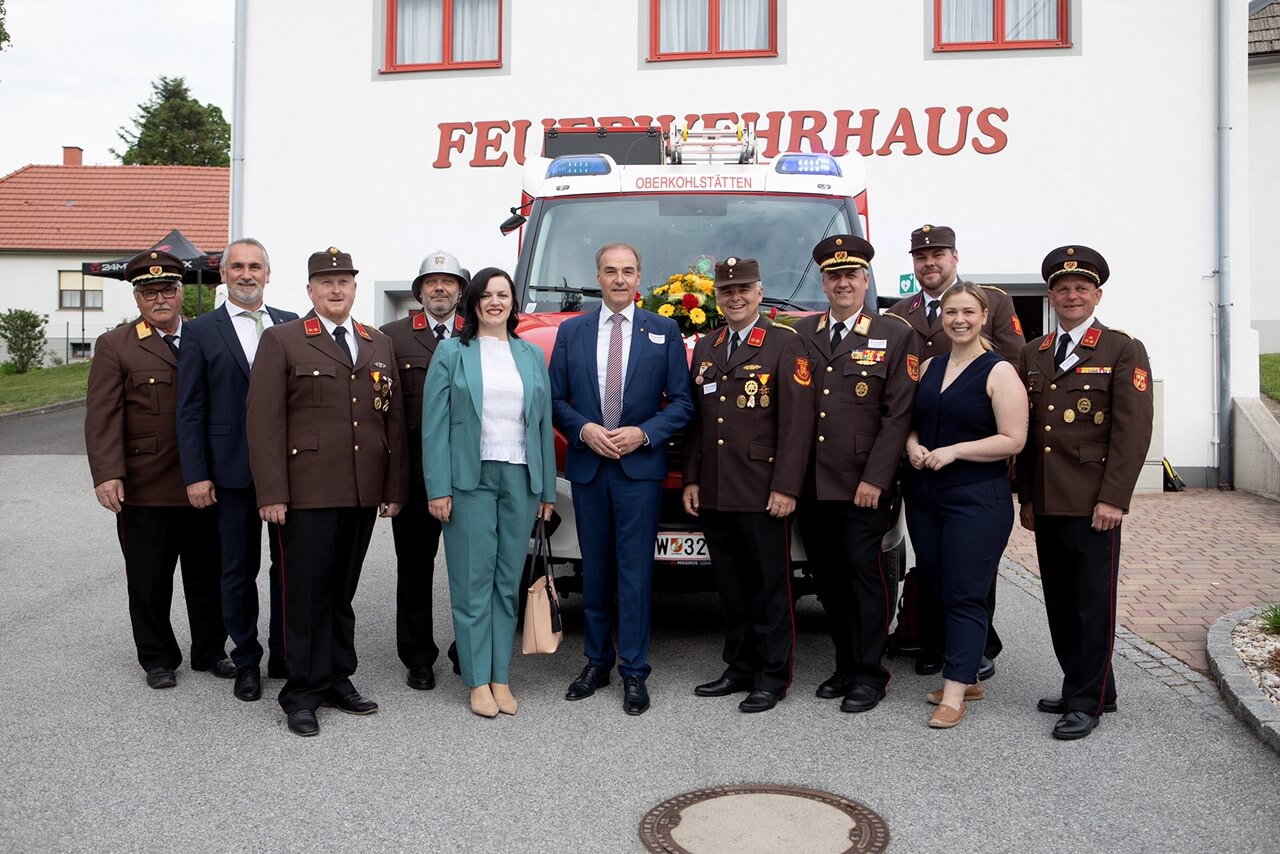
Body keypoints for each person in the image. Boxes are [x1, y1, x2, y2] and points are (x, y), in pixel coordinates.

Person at [246, 247, 407, 737]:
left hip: (361, 490)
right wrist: (271, 492)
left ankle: (337, 677)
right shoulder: (283, 339)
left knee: (342, 591)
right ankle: (301, 692)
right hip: (306, 491)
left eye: (344, 281)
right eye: (326, 282)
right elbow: (264, 422)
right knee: (305, 594)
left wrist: (393, 486)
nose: (336, 289)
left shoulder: (377, 341)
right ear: (310, 290)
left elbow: (392, 420)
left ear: (355, 288)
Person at [549, 243, 694, 716]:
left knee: (635, 573)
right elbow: (555, 399)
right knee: (595, 572)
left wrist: (643, 433)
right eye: (610, 271)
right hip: (589, 468)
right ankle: (596, 662)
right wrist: (583, 430)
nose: (618, 279)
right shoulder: (572, 331)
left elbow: (683, 403)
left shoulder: (663, 331)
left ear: (639, 278)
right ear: (597, 276)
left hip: (638, 471)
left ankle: (634, 670)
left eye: (627, 271)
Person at [1017, 245, 1153, 741]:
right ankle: (1092, 685)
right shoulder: (1034, 352)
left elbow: (1132, 432)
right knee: (1060, 601)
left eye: (1081, 288)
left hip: (1094, 501)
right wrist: (1026, 496)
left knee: (1092, 604)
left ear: (1097, 295)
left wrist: (1114, 498)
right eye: (1062, 288)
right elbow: (1031, 432)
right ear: (1051, 296)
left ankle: (1085, 701)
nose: (1071, 295)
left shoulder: (1121, 349)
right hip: (1048, 500)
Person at [84, 250, 233, 689]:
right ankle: (157, 657)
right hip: (146, 486)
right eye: (150, 293)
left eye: (167, 290)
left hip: (205, 482)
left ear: (180, 293)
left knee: (209, 574)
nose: (160, 299)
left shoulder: (205, 336)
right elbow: (103, 416)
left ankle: (211, 650)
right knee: (149, 578)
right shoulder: (117, 345)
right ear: (137, 298)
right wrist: (107, 473)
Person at [887, 224, 1023, 680]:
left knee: (971, 570)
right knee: (933, 565)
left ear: (955, 257)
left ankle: (976, 649)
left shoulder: (994, 301)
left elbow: (1014, 365)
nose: (930, 262)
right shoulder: (899, 313)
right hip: (923, 464)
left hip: (975, 459)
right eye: (921, 256)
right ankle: (935, 642)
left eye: (938, 254)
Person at [682, 257, 816, 713]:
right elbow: (699, 423)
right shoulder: (708, 346)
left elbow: (797, 424)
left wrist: (786, 487)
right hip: (716, 488)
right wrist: (692, 478)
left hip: (763, 490)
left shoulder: (784, 343)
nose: (735, 297)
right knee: (731, 586)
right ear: (717, 298)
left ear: (760, 292)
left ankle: (772, 676)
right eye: (727, 290)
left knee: (769, 587)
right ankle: (738, 667)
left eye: (743, 289)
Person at [422, 267, 556, 719]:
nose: (495, 302)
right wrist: (438, 488)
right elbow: (435, 424)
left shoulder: (530, 353)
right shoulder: (451, 352)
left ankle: (501, 677)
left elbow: (542, 422)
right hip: (469, 480)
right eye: (487, 295)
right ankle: (477, 680)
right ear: (473, 302)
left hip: (519, 477)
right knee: (472, 582)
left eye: (503, 294)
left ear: (513, 302)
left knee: (505, 584)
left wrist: (546, 488)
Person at [794, 235, 918, 714]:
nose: (842, 283)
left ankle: (870, 674)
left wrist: (877, 478)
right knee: (828, 580)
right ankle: (845, 665)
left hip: (863, 485)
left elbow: (898, 415)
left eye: (851, 275)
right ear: (823, 283)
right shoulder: (803, 332)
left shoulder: (894, 334)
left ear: (866, 281)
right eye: (834, 276)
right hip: (813, 483)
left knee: (864, 578)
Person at [176, 238, 298, 702]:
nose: (247, 274)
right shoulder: (200, 331)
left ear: (268, 274)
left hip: (287, 471)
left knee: (288, 568)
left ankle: (284, 652)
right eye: (238, 267)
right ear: (224, 274)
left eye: (256, 267)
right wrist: (196, 474)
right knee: (237, 570)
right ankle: (247, 659)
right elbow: (189, 410)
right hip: (230, 473)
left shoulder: (291, 324)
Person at [904, 283, 1028, 728]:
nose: (959, 320)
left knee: (965, 592)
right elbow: (913, 422)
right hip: (926, 495)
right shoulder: (931, 366)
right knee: (937, 587)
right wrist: (913, 445)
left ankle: (956, 691)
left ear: (983, 316)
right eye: (951, 312)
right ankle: (967, 674)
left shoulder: (999, 371)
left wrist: (955, 450)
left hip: (976, 497)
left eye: (968, 312)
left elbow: (1013, 439)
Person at [380, 250, 468, 691]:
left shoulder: (480, 333)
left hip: (469, 474)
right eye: (431, 282)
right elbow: (385, 417)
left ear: (460, 290)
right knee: (415, 569)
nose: (439, 288)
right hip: (415, 477)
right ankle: (417, 657)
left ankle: (466, 648)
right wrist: (390, 482)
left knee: (470, 569)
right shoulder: (391, 337)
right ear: (419, 291)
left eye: (448, 281)